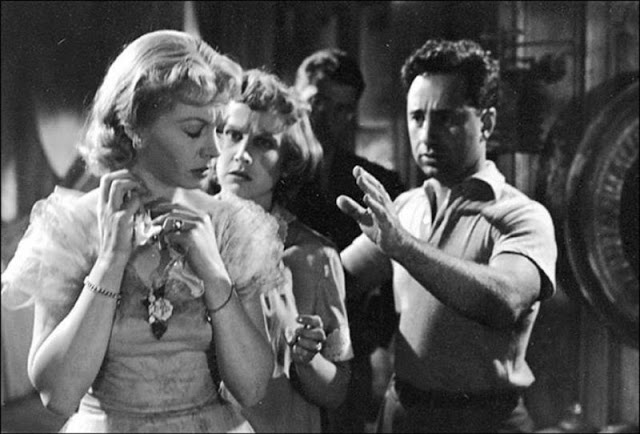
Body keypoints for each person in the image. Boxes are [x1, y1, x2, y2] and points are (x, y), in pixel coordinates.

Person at [1, 30, 286, 432]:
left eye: (217, 129)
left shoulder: (229, 226)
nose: (213, 149)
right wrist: (110, 261)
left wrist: (214, 274)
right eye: (194, 130)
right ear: (134, 125)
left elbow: (253, 388)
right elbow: (58, 395)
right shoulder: (74, 227)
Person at [336, 39, 558, 433]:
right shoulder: (405, 209)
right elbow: (339, 279)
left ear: (486, 123)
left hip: (486, 421)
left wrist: (403, 246)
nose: (426, 134)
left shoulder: (521, 215)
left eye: (446, 118)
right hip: (403, 414)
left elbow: (505, 301)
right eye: (417, 116)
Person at [207, 68, 352, 432]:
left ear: (287, 161)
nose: (242, 154)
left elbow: (337, 390)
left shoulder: (313, 256)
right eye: (233, 135)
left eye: (262, 143)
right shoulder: (186, 236)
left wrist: (308, 359)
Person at [293, 48, 405, 432]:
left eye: (342, 109)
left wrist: (374, 335)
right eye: (317, 103)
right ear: (297, 100)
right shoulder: (271, 175)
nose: (327, 117)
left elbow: (397, 267)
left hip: (348, 349)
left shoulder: (375, 182)